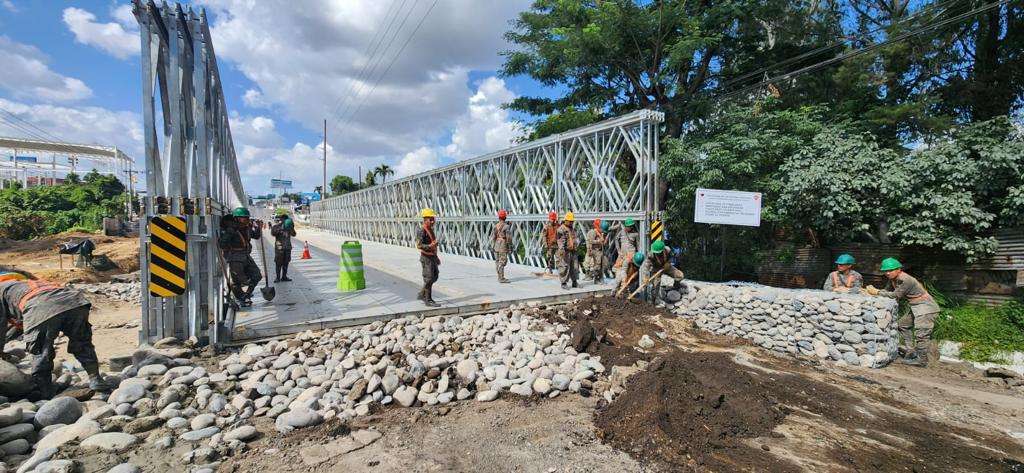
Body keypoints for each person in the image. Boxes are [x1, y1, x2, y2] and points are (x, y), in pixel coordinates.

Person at [0, 274, 116, 399]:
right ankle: (96, 380)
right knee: (82, 342)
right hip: (75, 302)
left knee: (41, 350)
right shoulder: (26, 284)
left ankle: (45, 391)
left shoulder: (2, 290)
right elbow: (18, 325)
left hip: (41, 305)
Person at [865, 258, 940, 367]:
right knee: (903, 325)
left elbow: (896, 295)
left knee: (921, 334)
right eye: (885, 271)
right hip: (916, 307)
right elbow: (887, 292)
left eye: (890, 270)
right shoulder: (893, 279)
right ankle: (911, 351)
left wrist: (877, 292)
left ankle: (922, 360)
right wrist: (872, 292)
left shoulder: (906, 280)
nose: (887, 273)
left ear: (899, 269)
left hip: (926, 308)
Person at [219, 207, 262, 307]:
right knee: (239, 280)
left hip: (246, 255)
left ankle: (246, 295)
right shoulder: (230, 229)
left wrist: (258, 227)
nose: (246, 220)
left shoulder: (246, 228)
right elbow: (222, 244)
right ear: (237, 218)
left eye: (247, 218)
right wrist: (229, 233)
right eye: (244, 218)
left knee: (257, 275)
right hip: (235, 257)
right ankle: (241, 297)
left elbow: (256, 236)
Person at [416, 208, 441, 307]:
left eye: (433, 219)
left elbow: (432, 244)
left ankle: (422, 293)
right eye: (430, 219)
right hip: (426, 258)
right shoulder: (422, 230)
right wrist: (430, 246)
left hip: (432, 257)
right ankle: (428, 299)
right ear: (425, 219)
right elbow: (419, 245)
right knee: (429, 277)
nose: (432, 221)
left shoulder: (430, 229)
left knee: (435, 276)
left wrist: (436, 257)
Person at [270, 209, 297, 282]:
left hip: (287, 247)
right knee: (278, 263)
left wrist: (291, 228)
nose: (284, 221)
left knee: (286, 262)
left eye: (285, 220)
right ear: (281, 220)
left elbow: (294, 234)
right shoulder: (276, 226)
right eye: (283, 219)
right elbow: (273, 233)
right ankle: (277, 277)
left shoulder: (289, 227)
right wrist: (281, 228)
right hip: (279, 248)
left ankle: (284, 276)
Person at [556, 212, 579, 289]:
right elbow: (560, 241)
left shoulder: (572, 229)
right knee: (564, 267)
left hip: (573, 251)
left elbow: (575, 238)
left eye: (572, 221)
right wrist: (562, 250)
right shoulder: (561, 229)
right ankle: (563, 283)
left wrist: (576, 244)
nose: (571, 222)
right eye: (570, 221)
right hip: (565, 251)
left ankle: (574, 281)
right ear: (566, 220)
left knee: (575, 267)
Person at [584, 220, 608, 284]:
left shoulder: (601, 233)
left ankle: (598, 278)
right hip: (593, 251)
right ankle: (590, 276)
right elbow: (591, 241)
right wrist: (599, 241)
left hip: (599, 251)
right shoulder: (593, 232)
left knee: (601, 265)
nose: (603, 232)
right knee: (592, 265)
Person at [491, 209, 512, 283]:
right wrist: (510, 246)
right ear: (505, 217)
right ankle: (501, 278)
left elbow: (493, 237)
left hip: (497, 244)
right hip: (503, 245)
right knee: (503, 261)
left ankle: (499, 276)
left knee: (497, 261)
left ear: (499, 217)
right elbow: (508, 238)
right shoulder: (506, 226)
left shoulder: (496, 226)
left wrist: (493, 245)